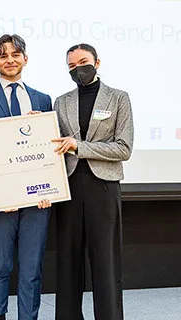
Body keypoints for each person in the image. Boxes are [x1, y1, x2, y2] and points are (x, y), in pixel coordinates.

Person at [52, 44, 133, 320]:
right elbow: (55, 145)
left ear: (98, 62)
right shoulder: (61, 102)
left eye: (83, 62)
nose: (78, 69)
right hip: (70, 187)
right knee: (67, 262)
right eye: (72, 66)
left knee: (106, 263)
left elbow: (124, 148)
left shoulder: (119, 98)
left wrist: (80, 146)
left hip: (103, 187)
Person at [0, 34, 52, 320]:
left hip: (37, 200)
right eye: (3, 55)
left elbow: (50, 150)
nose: (10, 59)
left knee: (32, 267)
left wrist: (50, 188)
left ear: (25, 58)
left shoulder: (43, 99)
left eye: (15, 54)